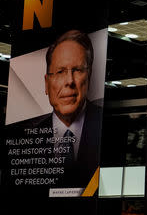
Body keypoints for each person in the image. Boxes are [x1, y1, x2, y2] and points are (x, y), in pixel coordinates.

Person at [6, 30, 102, 189]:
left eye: (77, 70)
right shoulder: (25, 142)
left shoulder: (106, 126)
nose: (69, 81)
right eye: (60, 72)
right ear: (46, 83)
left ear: (89, 76)